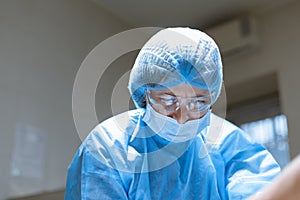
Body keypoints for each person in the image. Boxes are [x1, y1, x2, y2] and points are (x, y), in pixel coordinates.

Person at [65, 27, 280, 199]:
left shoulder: (228, 145)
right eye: (168, 100)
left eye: (198, 103)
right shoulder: (108, 148)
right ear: (145, 94)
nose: (181, 117)